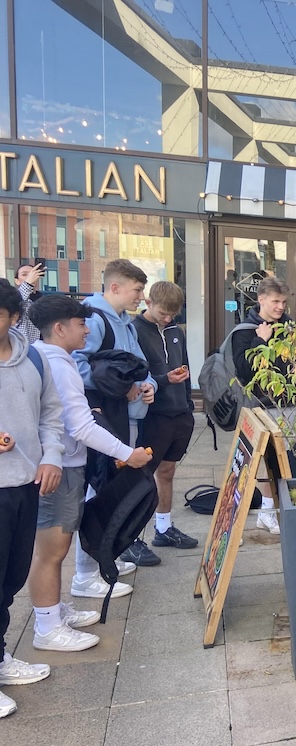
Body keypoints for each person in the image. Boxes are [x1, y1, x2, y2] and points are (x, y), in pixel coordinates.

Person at [26, 296, 153, 653]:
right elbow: (80, 426)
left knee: (54, 546)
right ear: (60, 328)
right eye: (80, 325)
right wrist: (128, 454)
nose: (86, 331)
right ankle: (47, 627)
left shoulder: (44, 357)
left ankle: (52, 611)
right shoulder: (59, 364)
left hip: (62, 464)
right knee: (52, 549)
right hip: (60, 468)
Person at [0, 282, 63, 719]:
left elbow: (51, 415)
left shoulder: (33, 359)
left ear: (13, 317)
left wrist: (52, 457)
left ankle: (1, 657)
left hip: (24, 485)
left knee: (10, 580)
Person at [72, 258, 160, 566]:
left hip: (125, 417)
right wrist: (123, 388)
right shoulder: (94, 320)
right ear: (115, 287)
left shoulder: (124, 320)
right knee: (98, 489)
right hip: (102, 418)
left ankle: (108, 553)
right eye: (137, 290)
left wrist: (149, 385)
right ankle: (88, 568)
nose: (141, 297)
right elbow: (76, 366)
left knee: (115, 487)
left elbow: (139, 366)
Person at [133, 281, 198, 550]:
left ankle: (163, 528)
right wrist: (163, 379)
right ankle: (132, 537)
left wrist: (188, 404)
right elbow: (137, 375)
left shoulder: (175, 331)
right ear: (148, 302)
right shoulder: (134, 330)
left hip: (179, 412)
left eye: (173, 314)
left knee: (168, 471)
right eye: (163, 313)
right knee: (140, 476)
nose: (168, 319)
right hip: (152, 414)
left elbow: (184, 368)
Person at [232, 276, 292, 534]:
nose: (280, 307)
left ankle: (269, 510)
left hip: (288, 404)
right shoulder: (245, 330)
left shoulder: (288, 327)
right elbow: (245, 372)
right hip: (261, 406)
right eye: (276, 301)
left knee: (280, 461)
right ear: (261, 300)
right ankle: (242, 519)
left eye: (284, 302)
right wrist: (261, 341)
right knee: (258, 462)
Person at [14, 260, 45, 343]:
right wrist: (28, 284)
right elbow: (17, 301)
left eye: (32, 273)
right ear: (16, 281)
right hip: (23, 347)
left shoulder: (43, 300)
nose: (30, 276)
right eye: (24, 274)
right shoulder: (14, 299)